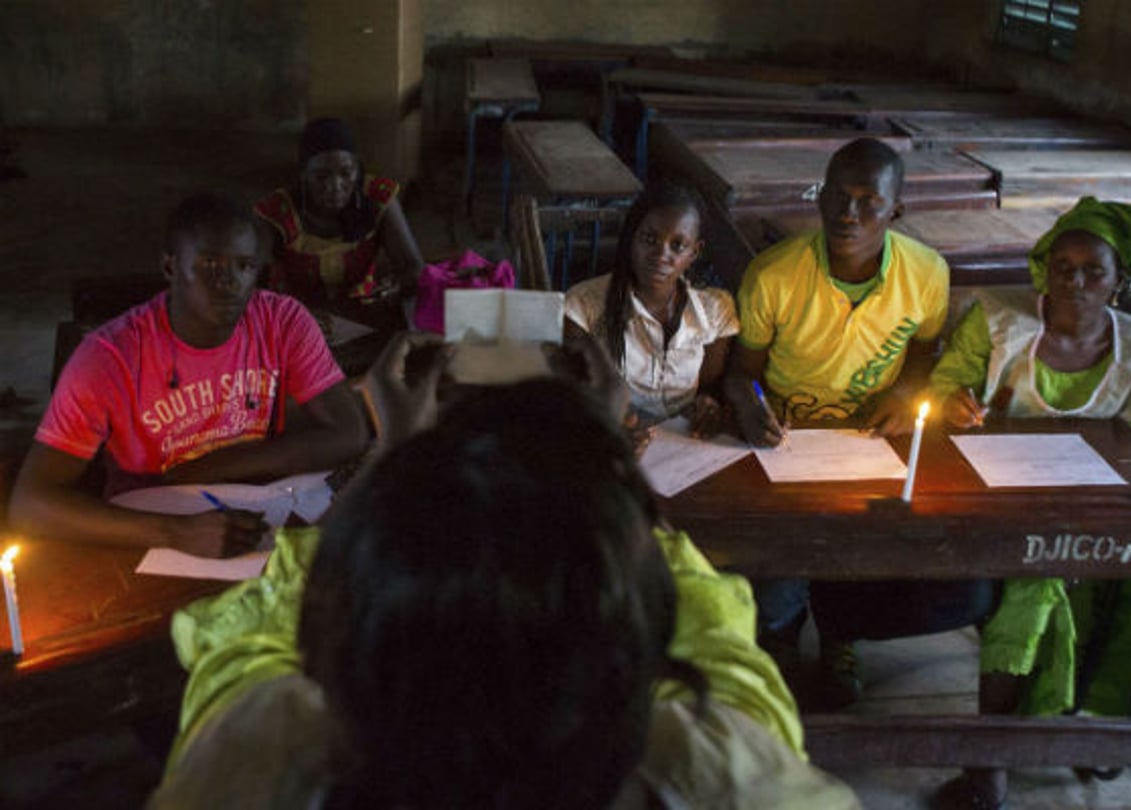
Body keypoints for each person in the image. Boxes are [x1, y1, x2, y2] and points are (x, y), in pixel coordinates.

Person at [148, 334, 860, 809]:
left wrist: (396, 450)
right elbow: (721, 641)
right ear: (634, 638)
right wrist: (602, 448)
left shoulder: (269, 763)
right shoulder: (714, 772)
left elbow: (249, 644)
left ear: (355, 645)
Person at [928, 197, 1131, 809]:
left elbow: (1128, 443)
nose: (1075, 282)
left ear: (1119, 281)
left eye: (1094, 271)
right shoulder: (1001, 324)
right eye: (1063, 266)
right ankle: (991, 763)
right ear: (1044, 268)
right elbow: (945, 385)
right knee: (1035, 587)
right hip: (1008, 508)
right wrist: (956, 404)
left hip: (1095, 506)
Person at [725, 137, 993, 708]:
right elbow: (741, 374)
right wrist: (751, 404)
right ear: (819, 198)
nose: (849, 214)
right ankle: (780, 646)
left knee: (900, 566)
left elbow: (924, 354)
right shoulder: (774, 275)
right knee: (778, 579)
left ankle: (841, 637)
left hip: (872, 442)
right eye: (837, 196)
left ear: (896, 211)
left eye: (869, 201)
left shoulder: (925, 274)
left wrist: (906, 390)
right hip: (790, 443)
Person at [9, 192, 369, 558]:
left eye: (244, 266)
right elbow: (30, 505)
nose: (228, 281)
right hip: (145, 525)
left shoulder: (282, 322)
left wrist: (217, 466)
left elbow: (350, 433)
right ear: (170, 267)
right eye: (210, 263)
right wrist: (175, 533)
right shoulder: (109, 357)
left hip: (251, 510)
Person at [564, 182, 738, 439]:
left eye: (678, 245)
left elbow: (710, 388)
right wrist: (613, 423)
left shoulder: (714, 313)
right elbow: (572, 393)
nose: (660, 255)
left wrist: (706, 405)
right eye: (649, 239)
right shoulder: (583, 306)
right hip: (609, 440)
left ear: (694, 252)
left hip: (685, 446)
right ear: (632, 238)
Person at [255, 117, 425, 313]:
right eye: (321, 176)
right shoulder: (277, 212)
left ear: (358, 170)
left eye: (346, 173)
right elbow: (251, 277)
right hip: (296, 316)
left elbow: (413, 267)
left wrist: (396, 286)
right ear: (303, 174)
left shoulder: (377, 198)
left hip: (362, 311)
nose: (335, 186)